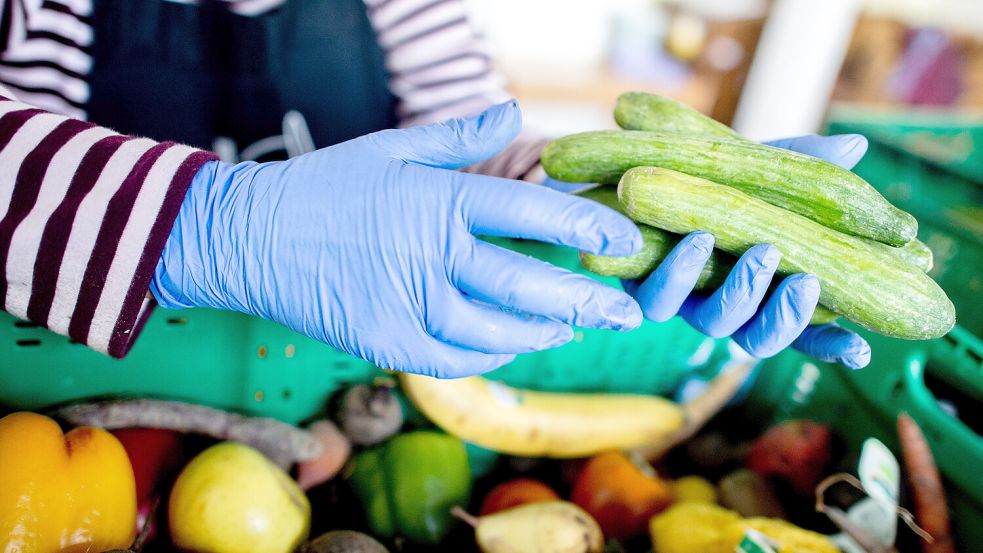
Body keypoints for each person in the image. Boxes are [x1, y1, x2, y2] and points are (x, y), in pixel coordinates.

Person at [0, 0, 870, 378]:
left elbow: (477, 142)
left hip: (344, 372)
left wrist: (622, 198)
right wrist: (207, 226)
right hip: (59, 365)